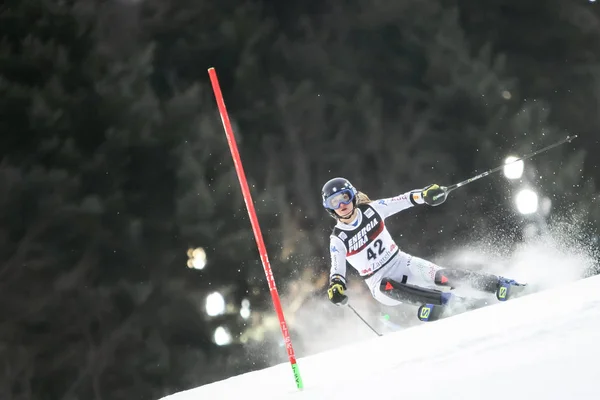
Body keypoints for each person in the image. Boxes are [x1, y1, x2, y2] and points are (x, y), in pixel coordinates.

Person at [322, 177, 525, 320]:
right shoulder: (338, 239)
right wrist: (336, 287)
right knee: (387, 285)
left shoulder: (373, 210)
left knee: (443, 276)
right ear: (330, 208)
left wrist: (425, 195)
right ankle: (444, 302)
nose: (342, 205)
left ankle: (499, 284)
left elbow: (403, 200)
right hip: (378, 282)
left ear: (352, 197)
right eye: (335, 202)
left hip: (402, 262)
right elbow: (337, 270)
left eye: (345, 197)